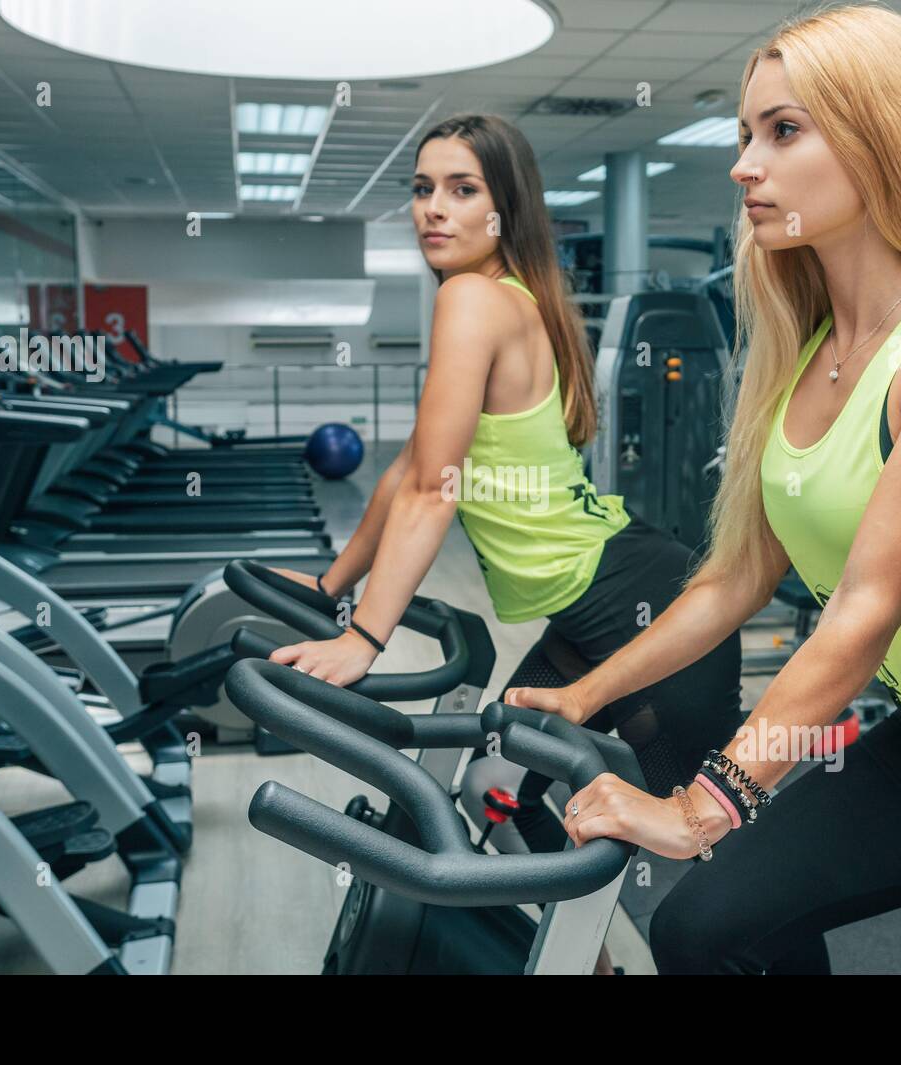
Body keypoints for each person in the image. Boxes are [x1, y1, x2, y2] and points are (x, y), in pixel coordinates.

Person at [508, 3, 901, 976]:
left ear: (879, 136)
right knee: (704, 932)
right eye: (743, 134)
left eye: (783, 130)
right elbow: (729, 584)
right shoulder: (804, 349)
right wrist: (582, 695)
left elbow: (862, 615)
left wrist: (696, 809)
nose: (743, 165)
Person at [269, 113, 744, 886]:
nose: (434, 207)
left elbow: (432, 490)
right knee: (497, 788)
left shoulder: (474, 299)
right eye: (423, 189)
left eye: (462, 189)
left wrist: (363, 638)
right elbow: (411, 469)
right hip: (601, 600)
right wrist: (333, 584)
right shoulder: (506, 295)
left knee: (718, 865)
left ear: (504, 209)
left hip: (638, 604)